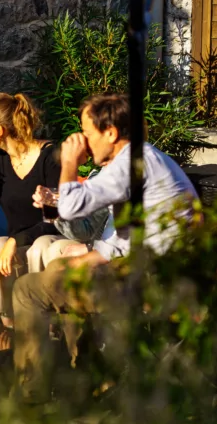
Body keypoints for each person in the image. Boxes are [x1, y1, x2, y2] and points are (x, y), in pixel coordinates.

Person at [12, 92, 198, 405]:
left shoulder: (130, 163)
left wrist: (68, 162)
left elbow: (71, 208)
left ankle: (31, 395)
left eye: (87, 133)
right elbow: (124, 239)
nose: (82, 141)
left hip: (151, 283)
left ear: (110, 133)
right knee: (62, 268)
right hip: (161, 272)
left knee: (27, 290)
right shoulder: (144, 159)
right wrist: (84, 254)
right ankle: (87, 380)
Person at [0, 92, 61, 323]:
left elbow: (57, 218)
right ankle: (6, 324)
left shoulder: (50, 157)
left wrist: (16, 239)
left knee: (34, 245)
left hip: (50, 237)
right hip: (16, 242)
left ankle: (40, 322)